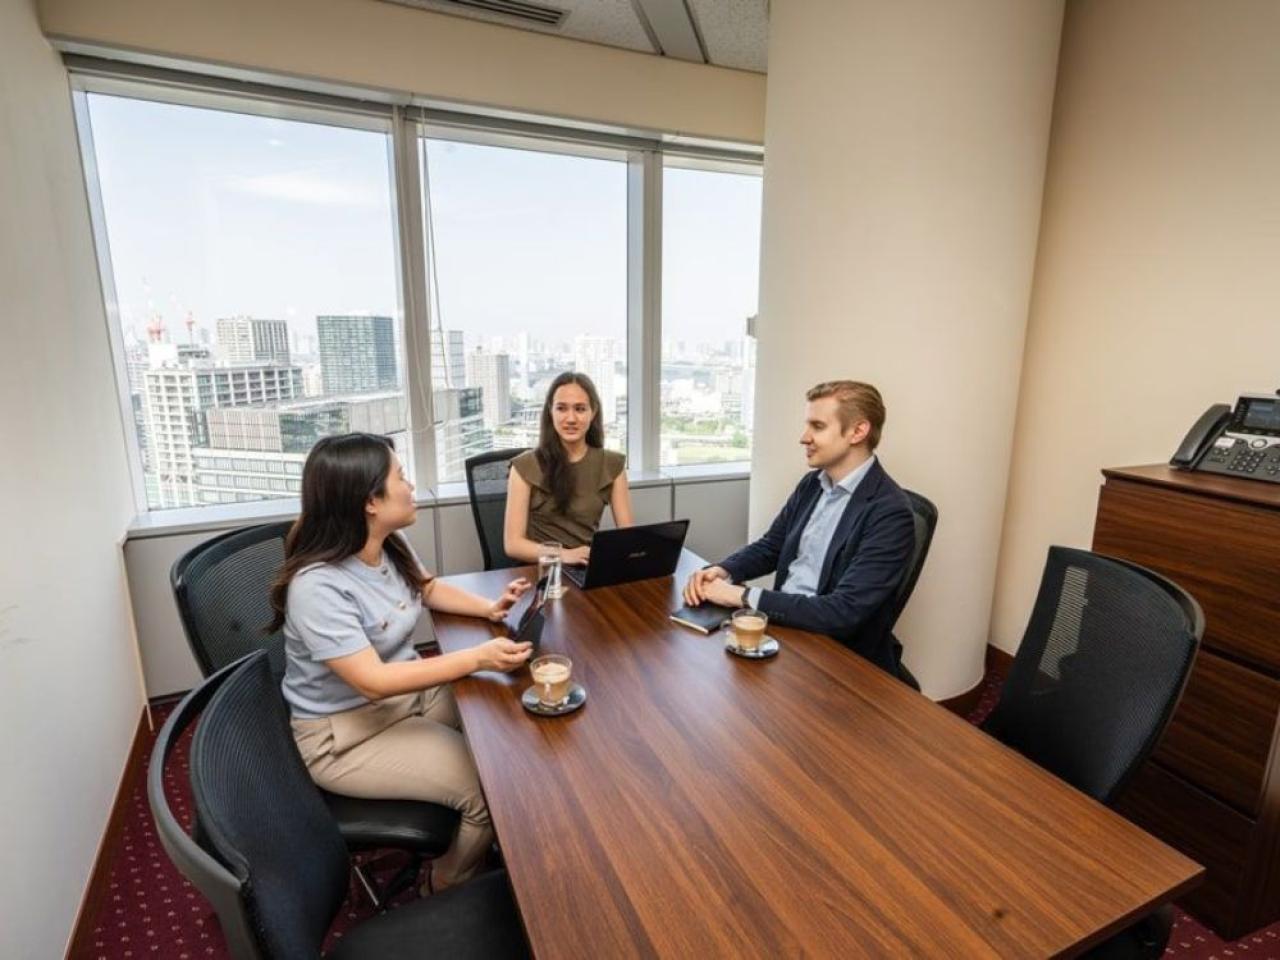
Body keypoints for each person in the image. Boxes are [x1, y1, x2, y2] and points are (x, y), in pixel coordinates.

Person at [270, 432, 533, 893]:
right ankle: (446, 881)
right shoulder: (317, 587)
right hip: (346, 734)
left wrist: (490, 610)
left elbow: (426, 588)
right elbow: (372, 682)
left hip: (405, 698)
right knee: (487, 789)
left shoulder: (388, 542)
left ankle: (498, 840)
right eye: (401, 477)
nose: (411, 487)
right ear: (370, 500)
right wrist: (475, 657)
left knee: (504, 717)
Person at [682, 380, 915, 674]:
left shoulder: (890, 512)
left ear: (857, 432)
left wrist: (739, 596)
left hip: (837, 657)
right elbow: (772, 546)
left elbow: (842, 612)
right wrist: (725, 570)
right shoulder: (813, 484)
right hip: (787, 629)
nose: (804, 438)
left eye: (817, 426)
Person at [504, 371, 633, 566]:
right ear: (551, 411)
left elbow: (627, 537)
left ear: (593, 412)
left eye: (580, 409)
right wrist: (563, 554)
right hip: (542, 573)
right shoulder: (525, 467)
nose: (571, 418)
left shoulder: (612, 466)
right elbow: (513, 544)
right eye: (562, 408)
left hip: (586, 570)